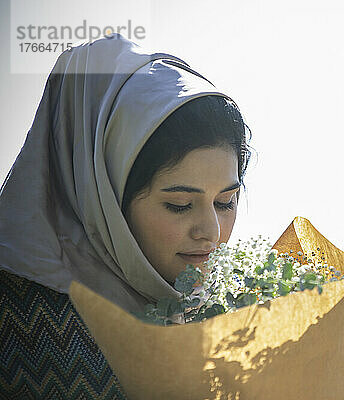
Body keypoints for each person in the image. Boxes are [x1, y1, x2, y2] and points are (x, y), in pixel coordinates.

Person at [0, 33, 250, 399]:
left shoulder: (223, 312)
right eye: (179, 204)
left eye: (226, 202)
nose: (211, 232)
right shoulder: (25, 323)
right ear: (103, 199)